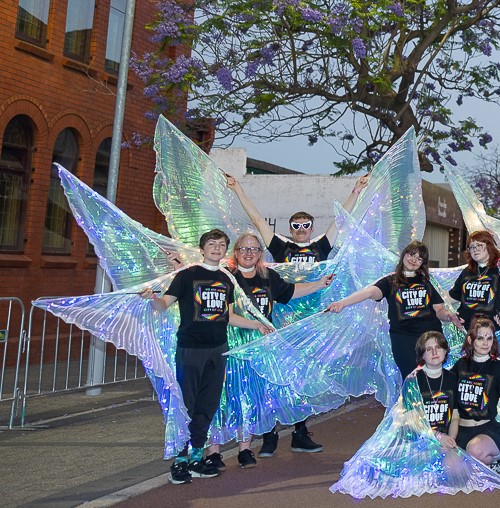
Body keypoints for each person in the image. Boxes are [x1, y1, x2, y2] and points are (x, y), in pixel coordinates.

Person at [139, 229, 273, 485]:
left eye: (221, 244)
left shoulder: (226, 278)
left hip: (218, 349)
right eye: (212, 244)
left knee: (208, 405)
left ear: (225, 250)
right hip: (191, 349)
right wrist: (152, 298)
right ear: (202, 249)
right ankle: (180, 461)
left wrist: (256, 325)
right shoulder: (186, 275)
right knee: (187, 405)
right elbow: (164, 304)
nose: (216, 248)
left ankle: (197, 457)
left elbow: (228, 316)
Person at [219, 232, 334, 468]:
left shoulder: (268, 276)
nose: (249, 253)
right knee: (238, 397)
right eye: (244, 249)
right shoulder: (227, 277)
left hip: (265, 346)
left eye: (254, 249)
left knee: (266, 395)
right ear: (236, 252)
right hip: (237, 347)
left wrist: (319, 284)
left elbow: (291, 292)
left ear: (260, 254)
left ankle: (260, 442)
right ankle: (228, 450)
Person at [328, 240, 463, 376]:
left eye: (419, 258)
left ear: (422, 263)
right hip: (403, 338)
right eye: (412, 254)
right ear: (404, 254)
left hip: (431, 336)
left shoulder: (427, 281)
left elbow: (439, 310)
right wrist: (342, 303)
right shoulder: (390, 281)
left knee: (435, 375)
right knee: (410, 377)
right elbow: (368, 292)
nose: (414, 260)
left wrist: (450, 316)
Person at [226, 172, 368, 264]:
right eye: (296, 226)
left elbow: (341, 218)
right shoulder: (280, 247)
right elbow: (257, 220)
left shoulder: (321, 246)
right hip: (287, 299)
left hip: (314, 298)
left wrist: (357, 190)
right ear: (290, 229)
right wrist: (238, 190)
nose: (301, 229)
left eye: (306, 225)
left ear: (312, 229)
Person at [451, 316, 500, 475]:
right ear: (470, 340)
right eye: (480, 338)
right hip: (461, 430)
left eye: (489, 338)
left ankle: (498, 463)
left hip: (488, 431)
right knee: (452, 470)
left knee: (475, 450)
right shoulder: (460, 365)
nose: (485, 343)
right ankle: (496, 466)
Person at [448, 232, 500, 331]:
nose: (475, 249)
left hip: (492, 330)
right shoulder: (467, 271)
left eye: (479, 245)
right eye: (472, 247)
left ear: (490, 246)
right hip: (466, 329)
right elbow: (453, 296)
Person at [409, 331, 461, 449]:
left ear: (445, 351)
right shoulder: (413, 381)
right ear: (422, 355)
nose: (434, 352)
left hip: (447, 439)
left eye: (438, 347)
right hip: (420, 441)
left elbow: (455, 417)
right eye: (428, 349)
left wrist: (450, 441)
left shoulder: (453, 379)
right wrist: (438, 436)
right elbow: (412, 420)